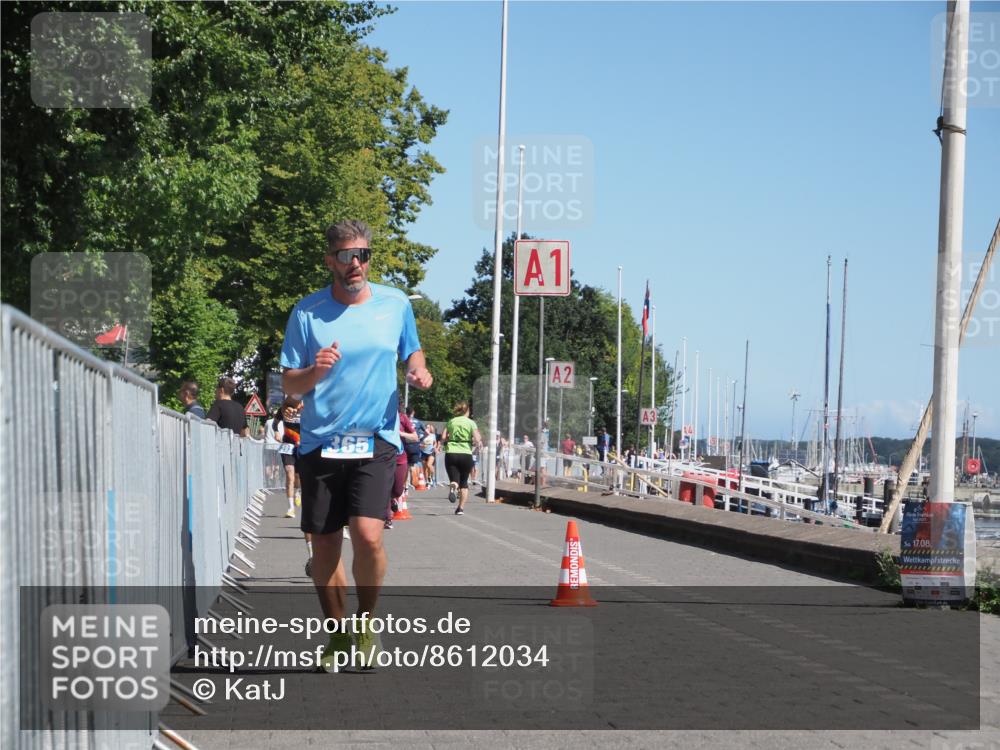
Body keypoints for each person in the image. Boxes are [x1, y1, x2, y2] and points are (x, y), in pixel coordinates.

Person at [280, 219, 432, 671]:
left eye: (362, 255)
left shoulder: (395, 303)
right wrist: (316, 372)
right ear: (330, 261)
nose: (355, 265)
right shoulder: (307, 313)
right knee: (323, 546)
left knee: (367, 536)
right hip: (321, 443)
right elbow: (289, 384)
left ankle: (366, 623)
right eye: (346, 257)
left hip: (376, 438)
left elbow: (413, 350)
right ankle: (338, 633)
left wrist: (418, 370)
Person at [441, 401, 482, 516]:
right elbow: (478, 438)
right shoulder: (471, 423)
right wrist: (475, 441)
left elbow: (443, 437)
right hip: (466, 453)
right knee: (464, 482)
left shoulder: (451, 421)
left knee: (454, 479)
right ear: (467, 411)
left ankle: (453, 485)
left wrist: (443, 442)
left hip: (451, 453)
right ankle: (460, 509)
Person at [271, 397, 303, 519]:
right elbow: (275, 423)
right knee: (290, 475)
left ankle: (298, 491)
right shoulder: (284, 409)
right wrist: (276, 432)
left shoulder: (307, 410)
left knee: (298, 476)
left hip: (302, 446)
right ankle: (290, 508)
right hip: (287, 446)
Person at [389, 408, 420, 530]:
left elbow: (415, 437)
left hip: (399, 456)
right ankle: (387, 518)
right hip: (382, 457)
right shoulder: (378, 413)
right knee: (384, 487)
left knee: (397, 490)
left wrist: (400, 433)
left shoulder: (402, 417)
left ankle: (392, 499)